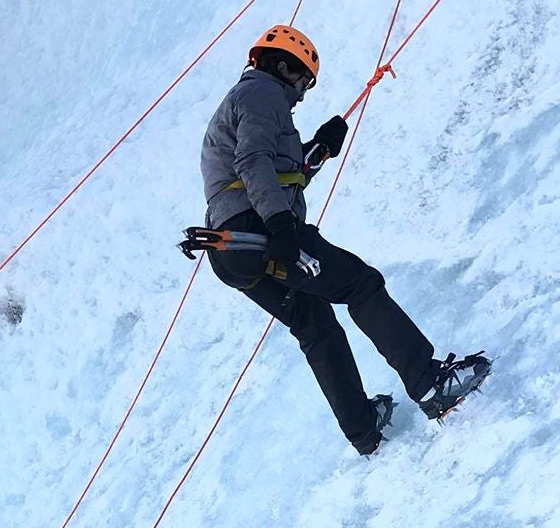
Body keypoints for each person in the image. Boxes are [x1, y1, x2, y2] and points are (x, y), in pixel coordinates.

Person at [199, 23, 489, 455]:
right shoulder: (260, 93)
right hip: (258, 231)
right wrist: (280, 224)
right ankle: (430, 385)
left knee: (316, 325)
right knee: (359, 283)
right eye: (302, 81)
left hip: (232, 251)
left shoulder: (251, 102)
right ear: (283, 67)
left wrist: (319, 149)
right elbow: (253, 161)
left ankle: (363, 430)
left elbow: (277, 176)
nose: (301, 93)